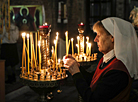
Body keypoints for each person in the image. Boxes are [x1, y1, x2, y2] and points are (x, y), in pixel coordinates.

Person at [63, 17, 138, 102]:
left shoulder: (118, 71)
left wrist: (76, 73)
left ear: (112, 37)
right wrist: (77, 67)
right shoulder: (109, 60)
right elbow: (94, 81)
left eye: (99, 35)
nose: (95, 39)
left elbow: (92, 99)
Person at [0, 16, 19, 84]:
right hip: (13, 46)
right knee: (13, 63)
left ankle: (10, 77)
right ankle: (14, 76)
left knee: (7, 63)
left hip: (6, 46)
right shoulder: (16, 28)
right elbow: (17, 37)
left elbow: (1, 36)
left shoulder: (5, 27)